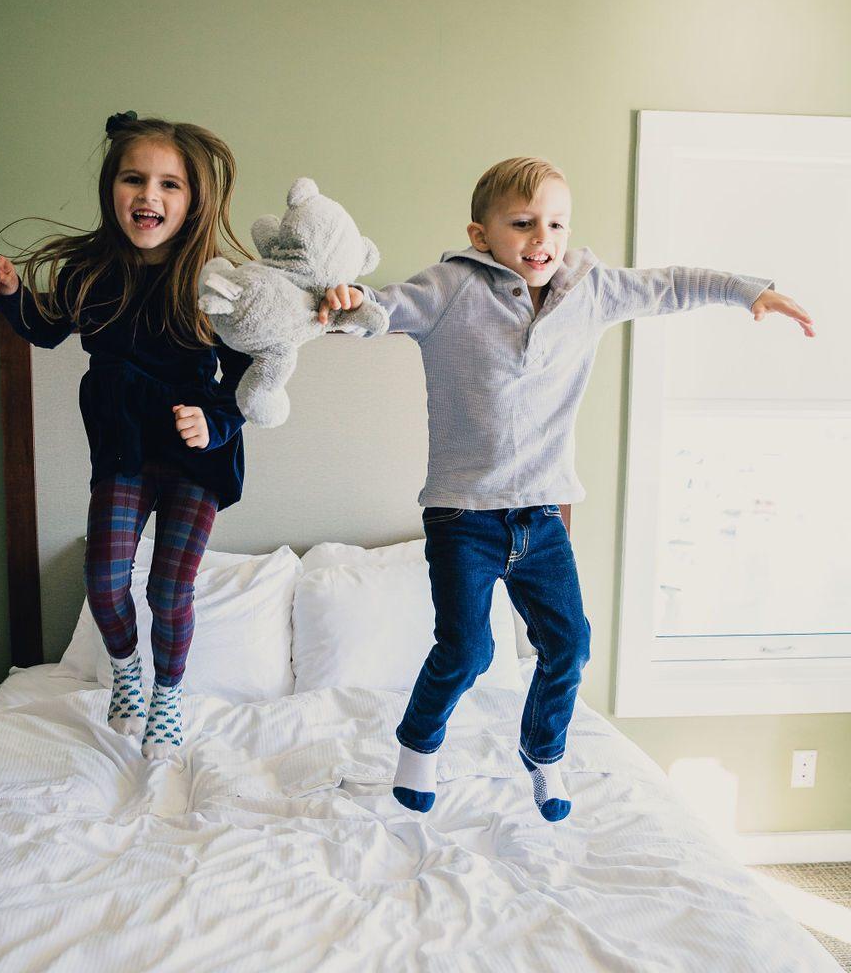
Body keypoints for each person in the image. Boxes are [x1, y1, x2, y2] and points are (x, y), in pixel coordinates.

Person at [317, 156, 814, 817]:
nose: (541, 238)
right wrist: (351, 304)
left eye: (555, 223)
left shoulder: (591, 289)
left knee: (569, 644)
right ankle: (418, 746)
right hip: (462, 516)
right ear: (481, 234)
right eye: (522, 223)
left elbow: (671, 285)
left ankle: (544, 754)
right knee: (468, 650)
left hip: (542, 516)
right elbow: (385, 308)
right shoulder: (452, 286)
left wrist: (748, 291)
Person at [0, 112, 253, 760]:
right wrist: (13, 298)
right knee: (103, 580)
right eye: (134, 178)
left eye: (169, 184)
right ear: (111, 188)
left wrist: (214, 423)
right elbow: (47, 331)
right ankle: (127, 672)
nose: (149, 195)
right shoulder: (89, 271)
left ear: (193, 200)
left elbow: (249, 380)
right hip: (122, 447)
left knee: (168, 589)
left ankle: (168, 697)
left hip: (195, 455)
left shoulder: (215, 283)